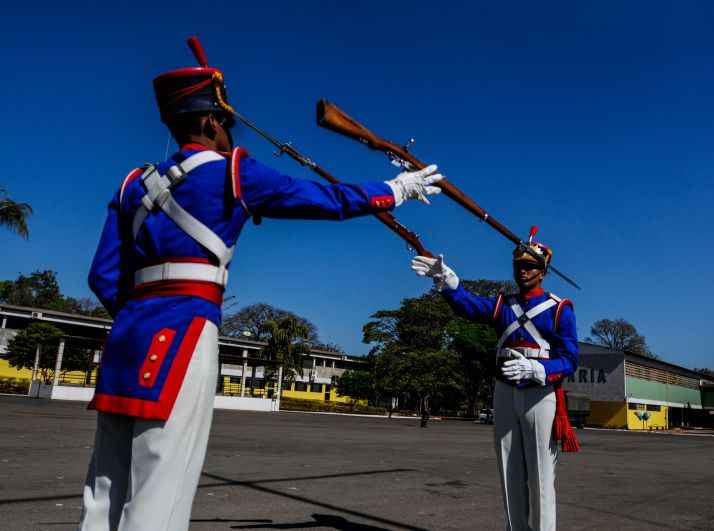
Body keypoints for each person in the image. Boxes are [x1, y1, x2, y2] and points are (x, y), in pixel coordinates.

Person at [79, 38, 444, 531]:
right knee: (161, 487)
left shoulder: (132, 186)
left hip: (126, 336)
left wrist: (140, 315)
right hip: (183, 331)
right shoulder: (233, 172)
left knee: (105, 487)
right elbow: (325, 199)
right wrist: (396, 190)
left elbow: (103, 275)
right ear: (212, 120)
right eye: (225, 122)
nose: (229, 131)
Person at [411, 229, 579, 531]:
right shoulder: (503, 304)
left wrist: (536, 370)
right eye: (518, 266)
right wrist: (449, 281)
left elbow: (570, 359)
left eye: (529, 266)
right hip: (503, 391)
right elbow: (470, 305)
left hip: (539, 395)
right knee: (509, 474)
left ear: (543, 272)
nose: (523, 271)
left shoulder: (558, 309)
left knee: (541, 478)